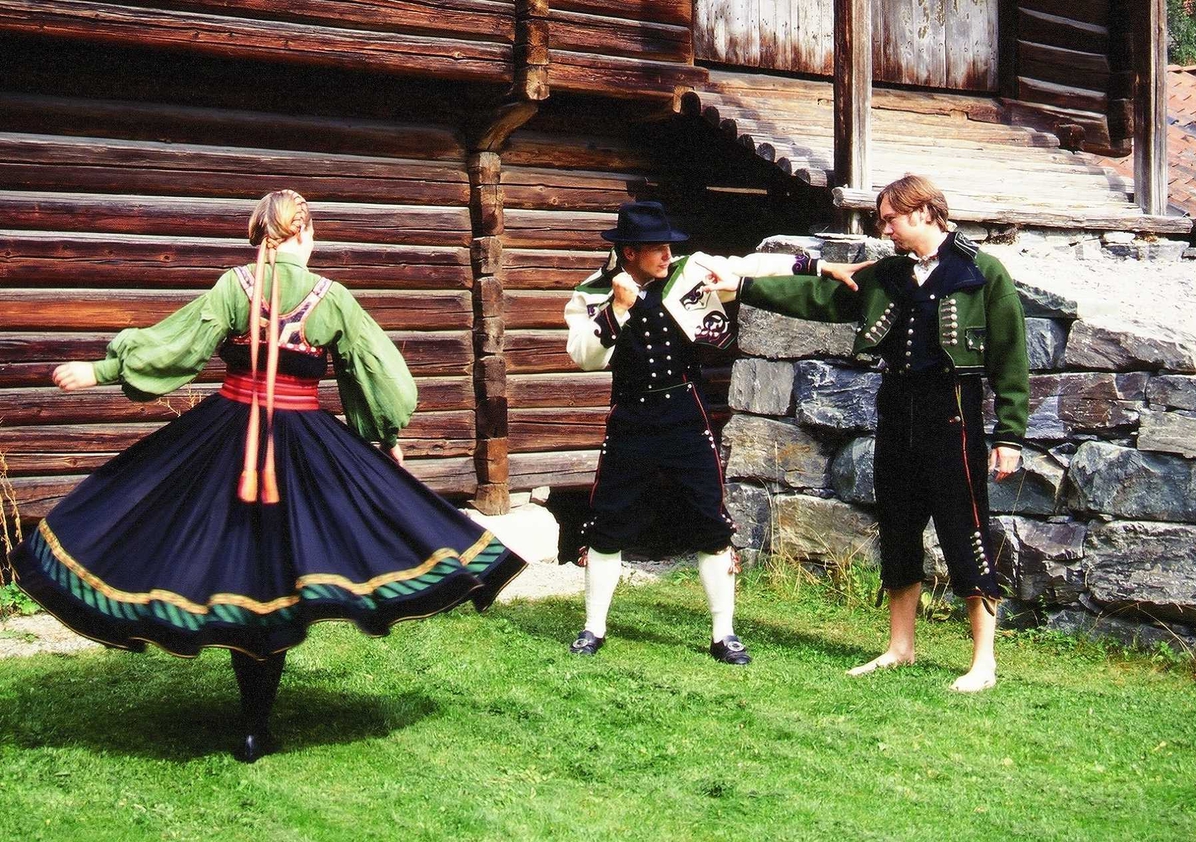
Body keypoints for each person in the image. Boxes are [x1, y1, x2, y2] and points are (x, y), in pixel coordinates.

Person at [8, 189, 525, 760]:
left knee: (219, 551)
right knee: (287, 566)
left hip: (225, 436)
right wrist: (384, 436)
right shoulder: (335, 299)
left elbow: (176, 347)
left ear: (260, 237)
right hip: (303, 445)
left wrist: (101, 369)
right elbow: (381, 380)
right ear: (304, 234)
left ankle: (253, 718)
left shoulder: (235, 285)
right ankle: (256, 723)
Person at [708, 175, 1029, 692]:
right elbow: (818, 298)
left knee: (963, 527)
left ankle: (983, 662)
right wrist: (743, 287)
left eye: (891, 218)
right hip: (897, 409)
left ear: (924, 212)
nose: (885, 230)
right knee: (899, 525)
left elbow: (1012, 360)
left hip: (953, 414)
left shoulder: (982, 271)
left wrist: (1010, 436)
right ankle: (900, 647)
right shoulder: (887, 274)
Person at [563, 200, 865, 664]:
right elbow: (584, 356)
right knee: (608, 521)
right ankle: (593, 628)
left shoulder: (691, 272)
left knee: (710, 520)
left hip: (687, 413)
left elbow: (752, 266)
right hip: (631, 420)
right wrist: (617, 310)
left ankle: (723, 635)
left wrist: (821, 266)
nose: (667, 255)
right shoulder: (592, 295)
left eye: (668, 246)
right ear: (629, 253)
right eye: (657, 248)